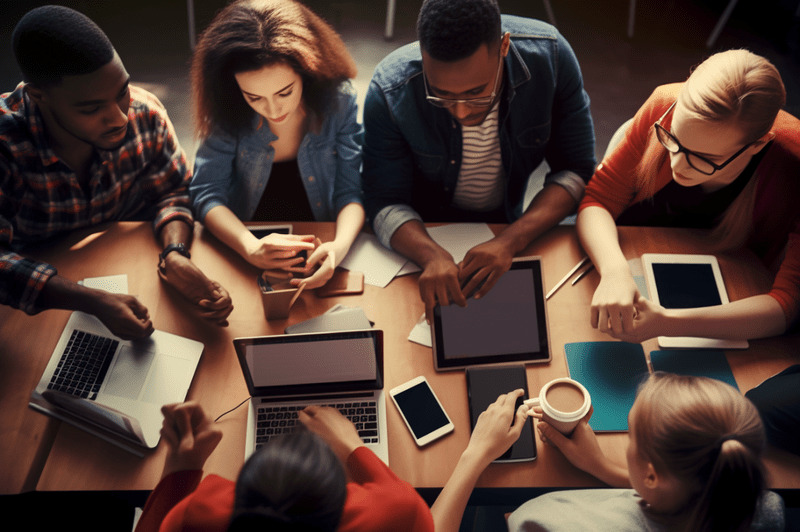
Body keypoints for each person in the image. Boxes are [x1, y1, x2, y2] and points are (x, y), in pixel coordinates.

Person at [1, 5, 233, 339]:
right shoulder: (5, 144)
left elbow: (173, 192)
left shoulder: (145, 113)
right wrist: (93, 301)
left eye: (121, 91)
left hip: (138, 278)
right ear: (39, 96)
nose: (121, 118)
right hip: (35, 310)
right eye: (92, 108)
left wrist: (175, 254)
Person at [362, 0, 596, 320]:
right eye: (441, 94)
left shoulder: (552, 59)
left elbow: (576, 170)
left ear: (504, 46)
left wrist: (510, 241)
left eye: (476, 93)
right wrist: (430, 256)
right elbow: (383, 201)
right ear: (423, 55)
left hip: (507, 224)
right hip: (419, 235)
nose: (460, 112)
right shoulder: (390, 88)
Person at [577, 49, 800, 343]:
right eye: (674, 138)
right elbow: (597, 200)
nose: (677, 164)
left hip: (732, 292)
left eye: (704, 158)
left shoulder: (792, 163)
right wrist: (614, 270)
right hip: (633, 259)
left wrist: (668, 323)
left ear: (757, 145)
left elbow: (786, 305)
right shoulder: (664, 104)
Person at [134, 391, 529, 532]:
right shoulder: (389, 513)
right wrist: (352, 446)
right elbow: (419, 518)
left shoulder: (199, 515)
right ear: (346, 501)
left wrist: (182, 468)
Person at [190, 0, 364, 290]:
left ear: (306, 74)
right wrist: (249, 246)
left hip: (321, 238)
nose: (272, 110)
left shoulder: (338, 101)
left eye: (285, 92)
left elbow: (352, 190)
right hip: (246, 241)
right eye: (254, 97)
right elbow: (206, 193)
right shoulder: (226, 106)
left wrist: (340, 246)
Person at [508, 373, 784, 532]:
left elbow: (518, 521)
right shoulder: (767, 508)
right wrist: (601, 467)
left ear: (652, 477)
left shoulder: (544, 520)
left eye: (632, 437)